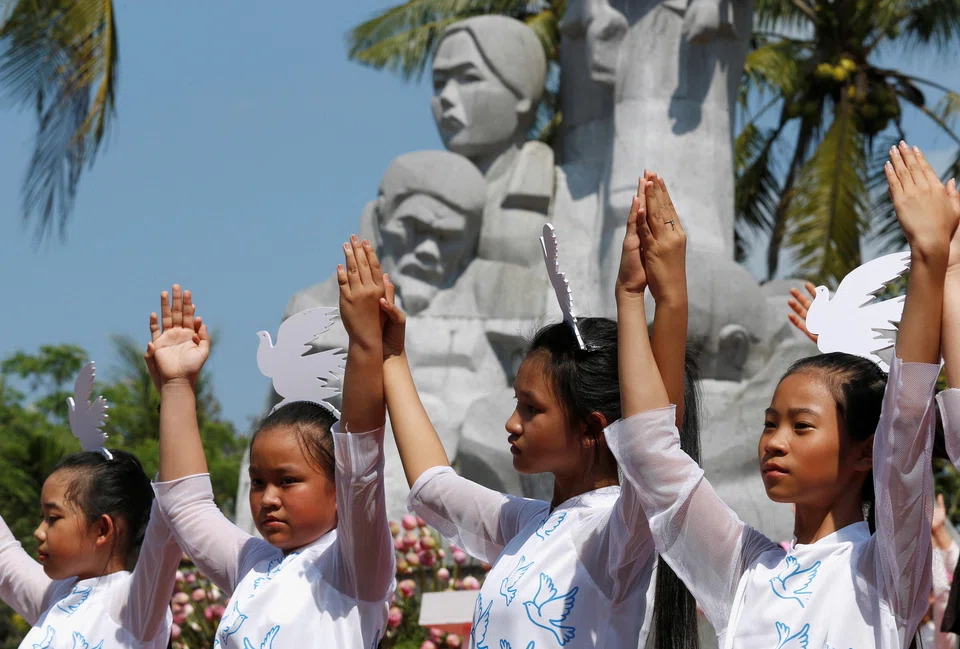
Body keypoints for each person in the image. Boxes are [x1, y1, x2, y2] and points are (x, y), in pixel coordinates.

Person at [607, 141, 953, 648]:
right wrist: (638, 298)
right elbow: (649, 452)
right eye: (771, 423)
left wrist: (931, 256)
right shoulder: (743, 572)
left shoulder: (885, 569)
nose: (774, 441)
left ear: (865, 451)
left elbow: (905, 425)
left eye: (801, 425)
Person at [374, 171, 702, 649]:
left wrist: (654, 299)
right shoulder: (526, 525)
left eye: (532, 409)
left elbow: (654, 449)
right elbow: (432, 484)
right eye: (516, 403)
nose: (512, 423)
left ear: (592, 428)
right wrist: (390, 355)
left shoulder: (615, 534)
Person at [147, 254, 395, 649]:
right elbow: (186, 504)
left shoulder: (353, 568)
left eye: (288, 481)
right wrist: (176, 383)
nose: (268, 498)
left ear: (339, 490)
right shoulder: (253, 565)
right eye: (258, 482)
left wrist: (365, 339)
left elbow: (361, 463)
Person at [0, 446, 181, 648]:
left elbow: (173, 502)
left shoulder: (131, 606)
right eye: (42, 517)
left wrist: (175, 413)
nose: (39, 532)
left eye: (53, 518)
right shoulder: (57, 596)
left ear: (102, 529)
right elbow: (3, 551)